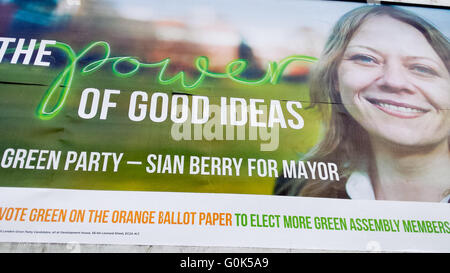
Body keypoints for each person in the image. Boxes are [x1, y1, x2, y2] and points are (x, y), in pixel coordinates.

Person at [274, 5, 450, 203]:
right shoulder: (298, 184)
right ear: (335, 78)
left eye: (422, 69)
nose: (394, 81)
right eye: (366, 59)